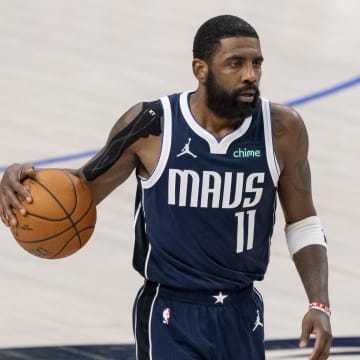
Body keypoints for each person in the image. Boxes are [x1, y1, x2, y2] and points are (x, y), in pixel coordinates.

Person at [0, 14, 332, 359]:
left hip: (243, 309)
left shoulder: (281, 130)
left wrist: (319, 302)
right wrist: (24, 181)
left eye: (256, 63)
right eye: (236, 63)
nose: (251, 74)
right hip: (170, 312)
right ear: (200, 69)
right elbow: (83, 186)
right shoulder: (152, 126)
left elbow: (303, 221)